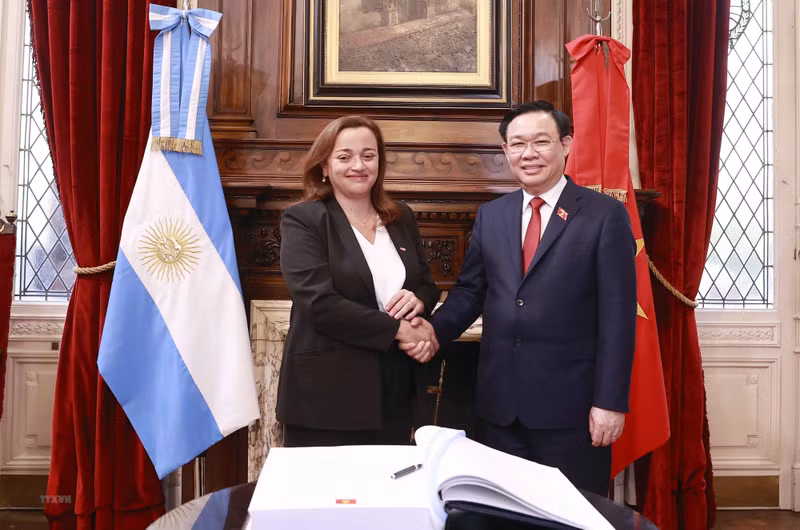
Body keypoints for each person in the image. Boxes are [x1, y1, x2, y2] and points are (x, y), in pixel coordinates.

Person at [424, 101, 637, 495]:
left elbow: (618, 317)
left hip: (572, 412)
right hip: (500, 410)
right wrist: (431, 333)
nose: (529, 153)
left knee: (573, 517)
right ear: (505, 151)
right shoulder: (493, 215)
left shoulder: (604, 215)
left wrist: (609, 402)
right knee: (502, 517)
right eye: (518, 144)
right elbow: (471, 292)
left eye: (541, 142)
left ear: (566, 145)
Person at [277, 115, 441, 447]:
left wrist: (420, 299)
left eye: (369, 155)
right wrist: (399, 329)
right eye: (344, 156)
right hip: (326, 398)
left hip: (394, 392)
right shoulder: (303, 220)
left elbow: (426, 282)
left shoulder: (400, 216)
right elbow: (319, 305)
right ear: (324, 165)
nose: (358, 165)